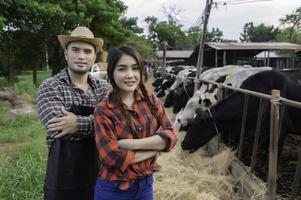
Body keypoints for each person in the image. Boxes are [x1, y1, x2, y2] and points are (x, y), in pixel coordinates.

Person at [94, 46, 177, 200]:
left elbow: (171, 136)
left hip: (145, 186)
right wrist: (155, 148)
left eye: (135, 68)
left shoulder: (151, 101)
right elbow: (112, 157)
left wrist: (128, 144)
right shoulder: (104, 110)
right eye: (122, 69)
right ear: (112, 72)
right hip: (113, 189)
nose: (130, 75)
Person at [37, 26, 110, 200]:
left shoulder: (104, 88)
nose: (81, 56)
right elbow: (56, 128)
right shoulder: (51, 86)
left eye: (87, 51)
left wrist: (76, 124)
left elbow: (116, 125)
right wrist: (99, 126)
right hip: (62, 180)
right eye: (75, 50)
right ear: (66, 54)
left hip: (102, 176)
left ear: (94, 56)